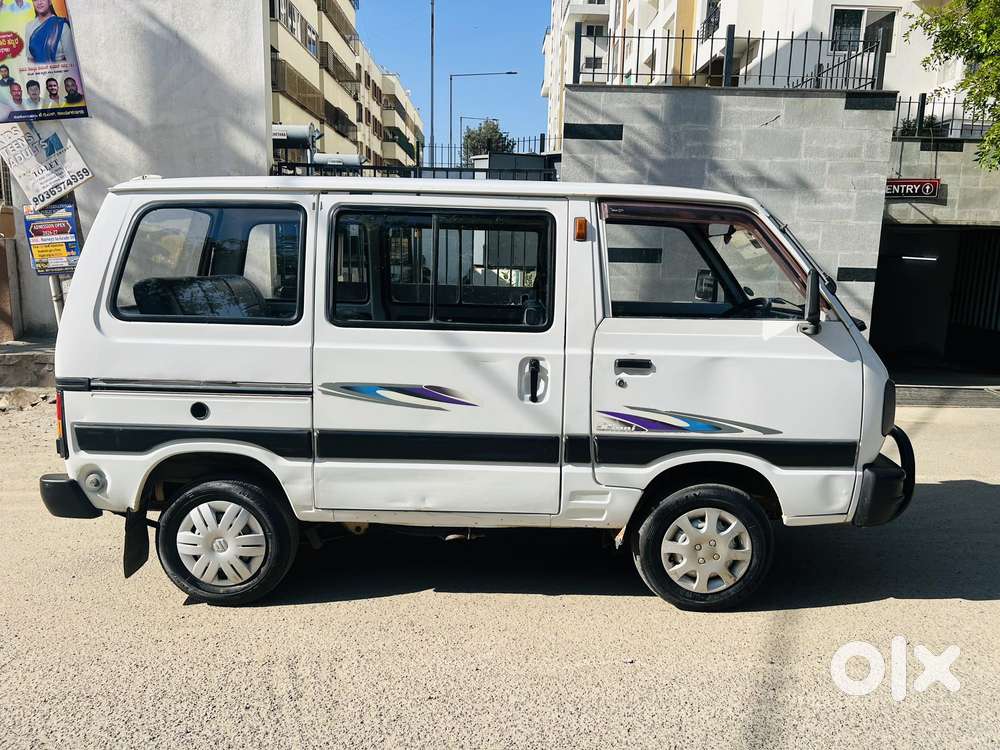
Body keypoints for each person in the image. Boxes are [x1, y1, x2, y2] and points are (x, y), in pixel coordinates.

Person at [26, 0, 76, 64]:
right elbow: (30, 59)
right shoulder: (29, 27)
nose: (39, 2)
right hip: (39, 69)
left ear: (49, 1)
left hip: (61, 69)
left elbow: (72, 61)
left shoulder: (61, 25)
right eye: (35, 0)